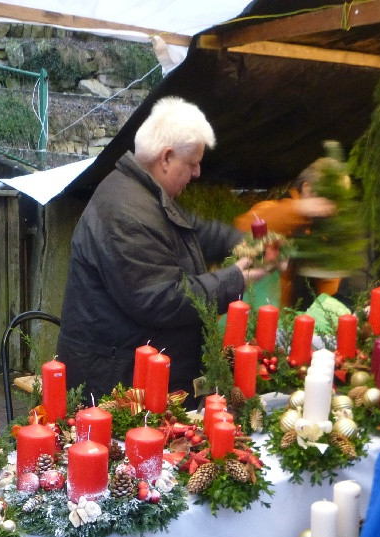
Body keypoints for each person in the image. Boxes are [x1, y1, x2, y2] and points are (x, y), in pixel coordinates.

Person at [57, 97, 271, 401]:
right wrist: (236, 279)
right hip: (118, 385)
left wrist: (243, 243)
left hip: (134, 367)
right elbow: (162, 299)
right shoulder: (126, 211)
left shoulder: (143, 193)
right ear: (166, 158)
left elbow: (191, 229)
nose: (197, 173)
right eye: (193, 163)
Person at [233, 157, 338, 307]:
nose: (333, 206)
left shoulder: (320, 230)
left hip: (291, 318)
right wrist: (300, 209)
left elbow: (327, 288)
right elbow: (243, 228)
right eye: (331, 196)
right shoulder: (272, 209)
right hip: (254, 313)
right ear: (307, 188)